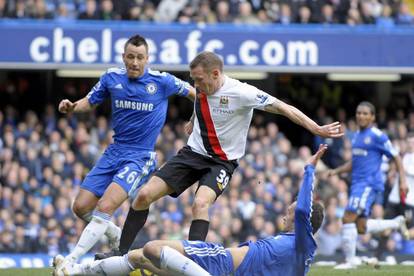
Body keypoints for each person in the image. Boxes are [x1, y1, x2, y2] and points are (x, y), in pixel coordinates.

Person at [94, 51, 344, 260]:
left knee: (200, 204)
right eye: (193, 80)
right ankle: (120, 253)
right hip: (192, 153)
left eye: (200, 80)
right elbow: (202, 102)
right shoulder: (203, 86)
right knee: (143, 196)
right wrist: (193, 120)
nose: (196, 86)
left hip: (222, 162)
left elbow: (283, 107)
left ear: (216, 74)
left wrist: (316, 128)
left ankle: (194, 262)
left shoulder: (242, 92)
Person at [54, 144, 329, 276]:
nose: (285, 214)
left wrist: (309, 169)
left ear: (303, 221)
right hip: (226, 268)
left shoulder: (303, 242)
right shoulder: (299, 260)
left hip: (220, 261)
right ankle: (76, 272)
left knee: (151, 248)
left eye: (290, 211)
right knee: (137, 257)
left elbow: (305, 208)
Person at [53, 34, 196, 273]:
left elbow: (195, 93)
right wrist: (72, 107)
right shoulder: (111, 77)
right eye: (130, 57)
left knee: (105, 207)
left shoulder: (162, 81)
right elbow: (90, 101)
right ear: (124, 57)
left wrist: (194, 118)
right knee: (80, 207)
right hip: (114, 151)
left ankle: (71, 260)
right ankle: (118, 236)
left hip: (140, 157)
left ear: (147, 58)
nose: (135, 62)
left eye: (140, 58)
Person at [325, 101, 409, 269]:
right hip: (358, 183)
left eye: (365, 113)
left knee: (348, 216)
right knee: (361, 227)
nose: (361, 116)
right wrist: (337, 171)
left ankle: (350, 261)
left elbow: (396, 156)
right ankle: (396, 223)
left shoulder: (378, 136)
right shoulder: (356, 136)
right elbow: (355, 162)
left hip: (368, 183)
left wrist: (403, 180)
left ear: (372, 117)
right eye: (358, 113)